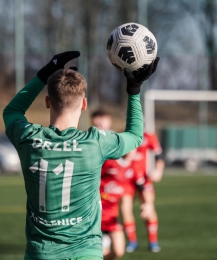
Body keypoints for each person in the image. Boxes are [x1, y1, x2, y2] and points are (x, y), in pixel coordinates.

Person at [2, 51, 160, 260]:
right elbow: (135, 135)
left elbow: (12, 111)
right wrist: (134, 89)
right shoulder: (96, 143)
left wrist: (44, 74)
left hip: (41, 253)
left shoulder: (28, 138)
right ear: (84, 105)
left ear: (48, 102)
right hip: (86, 252)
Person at [100, 149, 149, 260]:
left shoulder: (134, 166)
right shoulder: (109, 162)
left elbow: (142, 187)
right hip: (96, 213)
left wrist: (147, 204)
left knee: (118, 251)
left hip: (112, 216)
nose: (134, 152)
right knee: (98, 252)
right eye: (131, 149)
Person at [121, 131, 165, 253]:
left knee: (149, 207)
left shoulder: (148, 136)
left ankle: (153, 241)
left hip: (143, 177)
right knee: (125, 209)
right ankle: (132, 241)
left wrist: (159, 170)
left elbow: (159, 155)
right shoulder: (123, 135)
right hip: (126, 178)